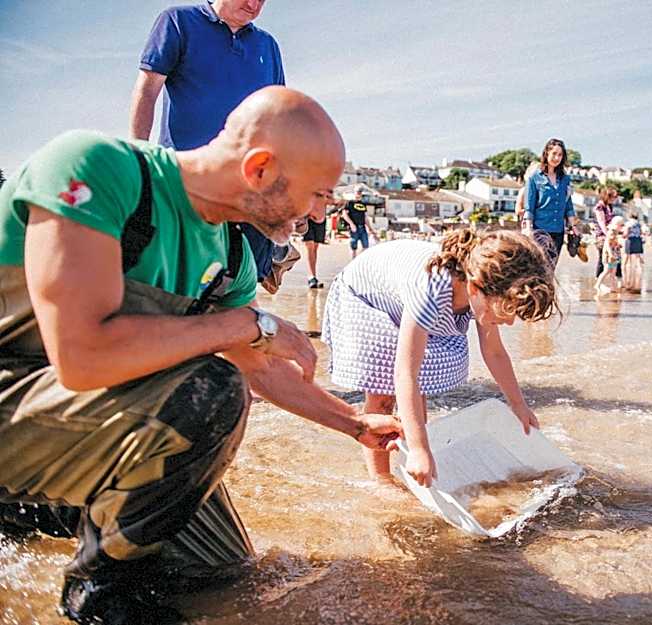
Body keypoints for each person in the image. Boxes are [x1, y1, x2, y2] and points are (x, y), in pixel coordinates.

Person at [0, 87, 402, 624]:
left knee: (221, 570)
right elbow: (82, 356)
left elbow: (258, 365)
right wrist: (247, 324)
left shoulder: (229, 251)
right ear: (259, 169)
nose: (314, 215)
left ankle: (61, 513)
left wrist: (355, 423)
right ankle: (98, 592)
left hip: (77, 422)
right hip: (18, 401)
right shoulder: (96, 167)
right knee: (213, 388)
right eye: (316, 195)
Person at [322, 230, 559, 487]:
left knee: (421, 385)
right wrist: (419, 449)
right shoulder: (431, 290)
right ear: (474, 288)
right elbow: (405, 374)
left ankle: (413, 462)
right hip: (367, 297)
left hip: (404, 297)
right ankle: (381, 480)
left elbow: (494, 352)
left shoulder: (482, 286)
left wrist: (518, 404)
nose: (510, 321)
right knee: (383, 393)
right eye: (505, 311)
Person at [129, 0, 293, 290]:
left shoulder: (267, 46)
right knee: (181, 282)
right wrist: (139, 158)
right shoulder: (178, 21)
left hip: (248, 188)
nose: (255, 4)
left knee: (242, 283)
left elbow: (277, 116)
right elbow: (146, 90)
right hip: (186, 181)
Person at [523, 138, 576, 267]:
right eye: (554, 153)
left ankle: (548, 288)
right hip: (539, 231)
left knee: (551, 268)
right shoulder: (534, 178)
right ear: (546, 153)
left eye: (560, 155)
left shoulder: (565, 179)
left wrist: (573, 226)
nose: (556, 158)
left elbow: (568, 205)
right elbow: (529, 208)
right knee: (539, 268)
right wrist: (528, 230)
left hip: (558, 231)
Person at [592, 186, 621, 281]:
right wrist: (608, 236)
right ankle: (598, 281)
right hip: (602, 237)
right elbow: (602, 224)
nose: (615, 199)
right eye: (613, 197)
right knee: (602, 257)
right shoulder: (600, 207)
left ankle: (618, 280)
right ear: (606, 196)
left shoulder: (609, 206)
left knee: (616, 257)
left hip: (611, 235)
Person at [594, 216, 624, 295]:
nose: (621, 227)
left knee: (613, 273)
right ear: (616, 225)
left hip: (614, 255)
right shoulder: (611, 232)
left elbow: (613, 243)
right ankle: (597, 285)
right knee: (606, 271)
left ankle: (613, 287)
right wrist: (610, 254)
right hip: (609, 256)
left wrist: (618, 245)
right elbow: (607, 244)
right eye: (621, 225)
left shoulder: (615, 233)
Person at [342, 191, 377, 258]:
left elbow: (365, 217)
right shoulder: (349, 203)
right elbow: (344, 214)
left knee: (366, 246)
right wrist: (351, 224)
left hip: (363, 227)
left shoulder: (363, 204)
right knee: (353, 247)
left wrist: (370, 228)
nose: (359, 194)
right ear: (354, 193)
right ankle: (353, 262)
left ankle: (358, 260)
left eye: (360, 193)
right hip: (354, 228)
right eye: (357, 192)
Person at [302, 212, 328, 289]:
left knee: (315, 248)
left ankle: (314, 276)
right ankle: (311, 276)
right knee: (310, 246)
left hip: (320, 219)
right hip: (307, 219)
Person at [623, 211, 644, 294]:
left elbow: (626, 233)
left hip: (630, 240)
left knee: (626, 259)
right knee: (637, 258)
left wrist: (623, 235)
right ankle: (639, 274)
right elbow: (641, 233)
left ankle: (626, 278)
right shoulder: (638, 224)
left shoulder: (628, 223)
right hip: (638, 240)